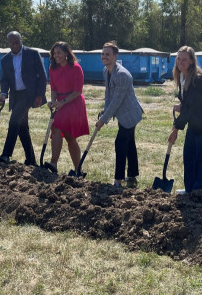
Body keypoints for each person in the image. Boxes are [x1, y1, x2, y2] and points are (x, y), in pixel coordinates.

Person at [167, 46, 202, 194]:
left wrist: (175, 130)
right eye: (178, 58)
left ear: (191, 61)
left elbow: (193, 106)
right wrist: (181, 105)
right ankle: (190, 189)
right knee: (189, 156)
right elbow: (189, 103)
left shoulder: (199, 79)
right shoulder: (181, 76)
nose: (180, 62)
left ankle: (200, 191)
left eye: (184, 59)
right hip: (195, 121)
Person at [96, 41, 144, 187]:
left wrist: (103, 120)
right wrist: (105, 109)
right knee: (129, 144)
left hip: (130, 115)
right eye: (103, 54)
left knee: (120, 142)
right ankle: (132, 175)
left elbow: (117, 101)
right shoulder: (106, 71)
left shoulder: (122, 75)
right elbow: (109, 94)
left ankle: (118, 179)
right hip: (122, 114)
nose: (105, 57)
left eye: (108, 54)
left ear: (115, 56)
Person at [0, 31, 48, 165]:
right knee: (22, 127)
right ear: (8, 43)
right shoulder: (5, 60)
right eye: (12, 43)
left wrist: (39, 95)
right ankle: (31, 160)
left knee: (14, 120)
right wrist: (3, 93)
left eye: (17, 42)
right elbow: (5, 80)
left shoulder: (32, 54)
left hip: (28, 94)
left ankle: (6, 154)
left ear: (21, 40)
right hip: (16, 95)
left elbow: (42, 76)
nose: (15, 46)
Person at [44, 41, 90, 173]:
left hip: (74, 103)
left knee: (70, 137)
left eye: (59, 53)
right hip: (60, 103)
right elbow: (53, 89)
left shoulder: (76, 68)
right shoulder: (52, 68)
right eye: (54, 53)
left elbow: (77, 91)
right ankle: (53, 163)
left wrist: (62, 102)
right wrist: (53, 102)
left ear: (66, 54)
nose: (56, 55)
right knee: (56, 127)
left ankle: (78, 169)